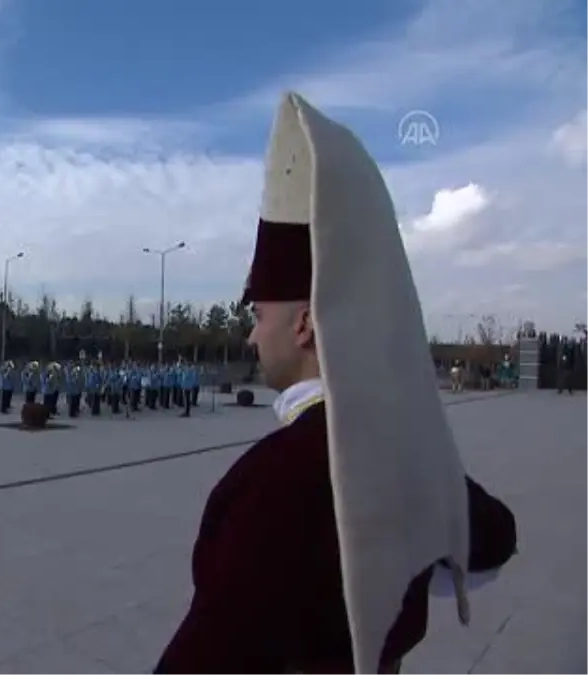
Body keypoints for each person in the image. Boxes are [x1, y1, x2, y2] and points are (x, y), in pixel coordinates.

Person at [153, 92, 518, 675]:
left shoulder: (274, 482)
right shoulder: (406, 453)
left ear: (303, 324)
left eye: (258, 316)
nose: (251, 338)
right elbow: (492, 540)